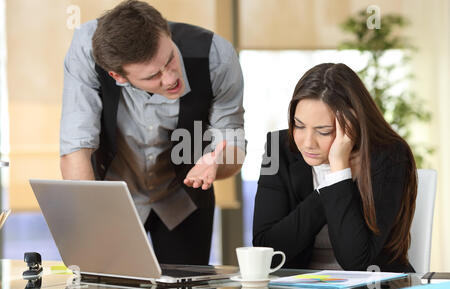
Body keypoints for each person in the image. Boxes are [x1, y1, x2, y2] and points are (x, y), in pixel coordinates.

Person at [60, 0, 246, 265]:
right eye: (152, 76)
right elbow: (75, 146)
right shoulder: (86, 49)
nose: (170, 78)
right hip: (112, 197)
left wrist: (216, 161)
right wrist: (91, 228)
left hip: (184, 199)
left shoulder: (217, 56)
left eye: (170, 59)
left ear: (166, 33)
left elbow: (233, 142)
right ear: (118, 76)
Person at [253, 63, 417, 272]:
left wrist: (340, 168)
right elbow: (267, 250)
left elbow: (357, 263)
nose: (307, 143)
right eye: (299, 125)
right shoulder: (277, 148)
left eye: (323, 131)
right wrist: (332, 184)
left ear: (352, 124)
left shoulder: (389, 155)